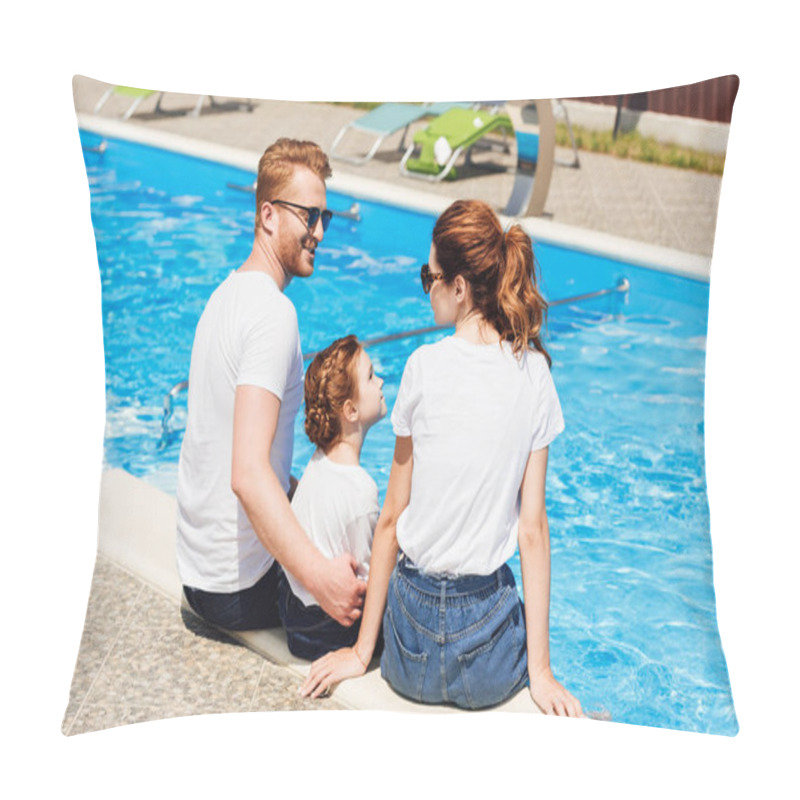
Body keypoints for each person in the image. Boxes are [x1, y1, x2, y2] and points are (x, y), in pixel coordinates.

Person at [300, 199, 582, 715]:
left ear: (458, 287)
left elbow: (391, 520)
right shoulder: (535, 375)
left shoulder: (421, 368)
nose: (426, 287)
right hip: (488, 656)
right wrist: (540, 673)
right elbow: (532, 532)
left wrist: (362, 652)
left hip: (411, 651)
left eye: (429, 275)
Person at [176, 138, 365, 632]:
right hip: (240, 590)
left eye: (326, 218)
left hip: (198, 574)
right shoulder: (273, 315)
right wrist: (321, 579)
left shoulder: (225, 296)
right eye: (309, 216)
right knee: (382, 587)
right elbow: (248, 474)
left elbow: (239, 456)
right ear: (268, 216)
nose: (320, 232)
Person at [279, 335, 387, 659]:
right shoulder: (361, 489)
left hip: (292, 612)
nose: (380, 381)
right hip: (326, 631)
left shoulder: (318, 460)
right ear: (351, 410)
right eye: (370, 376)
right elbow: (371, 584)